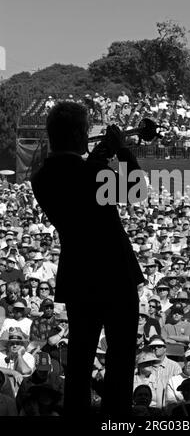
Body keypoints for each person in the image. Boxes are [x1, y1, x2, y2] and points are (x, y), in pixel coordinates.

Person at [31, 102, 146, 417]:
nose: (88, 135)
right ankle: (116, 419)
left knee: (80, 359)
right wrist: (121, 150)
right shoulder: (91, 171)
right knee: (120, 358)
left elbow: (78, 186)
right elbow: (137, 189)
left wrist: (97, 157)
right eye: (85, 130)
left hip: (78, 276)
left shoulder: (40, 178)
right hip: (115, 274)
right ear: (76, 134)